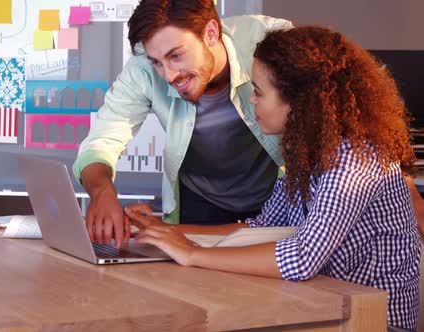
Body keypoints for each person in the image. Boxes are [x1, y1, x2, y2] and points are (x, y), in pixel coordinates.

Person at [125, 26, 420, 331]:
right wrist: (164, 231)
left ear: (300, 101)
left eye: (259, 91)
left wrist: (192, 253)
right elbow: (261, 229)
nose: (252, 101)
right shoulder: (308, 152)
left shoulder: (355, 159)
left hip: (371, 320)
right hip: (322, 302)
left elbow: (302, 256)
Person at [73, 0, 294, 247]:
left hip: (276, 200)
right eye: (156, 61)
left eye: (176, 56)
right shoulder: (142, 70)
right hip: (199, 203)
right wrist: (102, 191)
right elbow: (102, 140)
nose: (168, 75)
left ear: (211, 33)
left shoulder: (270, 43)